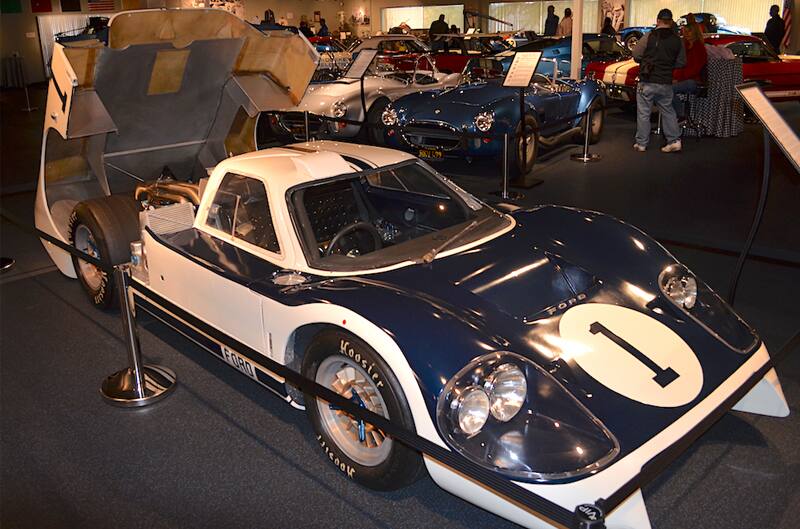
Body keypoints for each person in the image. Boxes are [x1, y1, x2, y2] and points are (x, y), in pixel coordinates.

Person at [632, 8, 686, 153]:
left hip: (647, 80)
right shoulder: (677, 40)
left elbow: (636, 54)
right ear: (671, 21)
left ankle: (641, 143)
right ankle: (674, 140)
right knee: (668, 110)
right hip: (665, 81)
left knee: (644, 112)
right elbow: (681, 62)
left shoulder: (649, 36)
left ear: (658, 21)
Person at [672, 15, 707, 119]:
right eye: (685, 31)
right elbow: (678, 65)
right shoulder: (684, 46)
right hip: (683, 78)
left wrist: (678, 79)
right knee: (662, 89)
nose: (686, 34)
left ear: (695, 32)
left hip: (694, 81)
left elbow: (694, 69)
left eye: (689, 31)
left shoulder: (699, 48)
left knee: (667, 91)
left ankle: (680, 113)